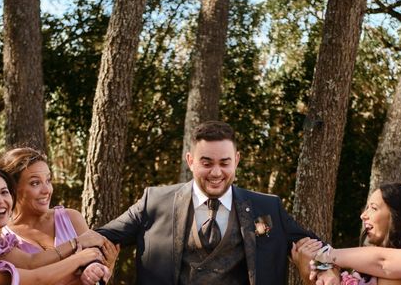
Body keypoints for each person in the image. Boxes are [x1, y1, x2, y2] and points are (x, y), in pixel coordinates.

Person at [97, 120, 330, 285]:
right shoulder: (154, 202)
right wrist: (79, 253)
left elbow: (316, 249)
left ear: (236, 161)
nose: (216, 172)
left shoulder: (267, 208)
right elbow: (104, 236)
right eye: (207, 163)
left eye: (224, 163)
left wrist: (327, 272)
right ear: (191, 161)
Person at [0, 165, 111, 282]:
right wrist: (80, 254)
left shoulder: (0, 240)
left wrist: (101, 266)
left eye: (4, 192)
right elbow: (33, 271)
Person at [0, 149, 119, 280]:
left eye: (48, 180)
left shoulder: (71, 219)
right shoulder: (2, 238)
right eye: (35, 183)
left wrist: (105, 268)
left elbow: (95, 271)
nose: (47, 190)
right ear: (11, 189)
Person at [294, 182, 401, 285]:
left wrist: (306, 270)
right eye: (366, 207)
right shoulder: (368, 265)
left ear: (396, 217)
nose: (363, 215)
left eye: (373, 208)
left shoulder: (394, 272)